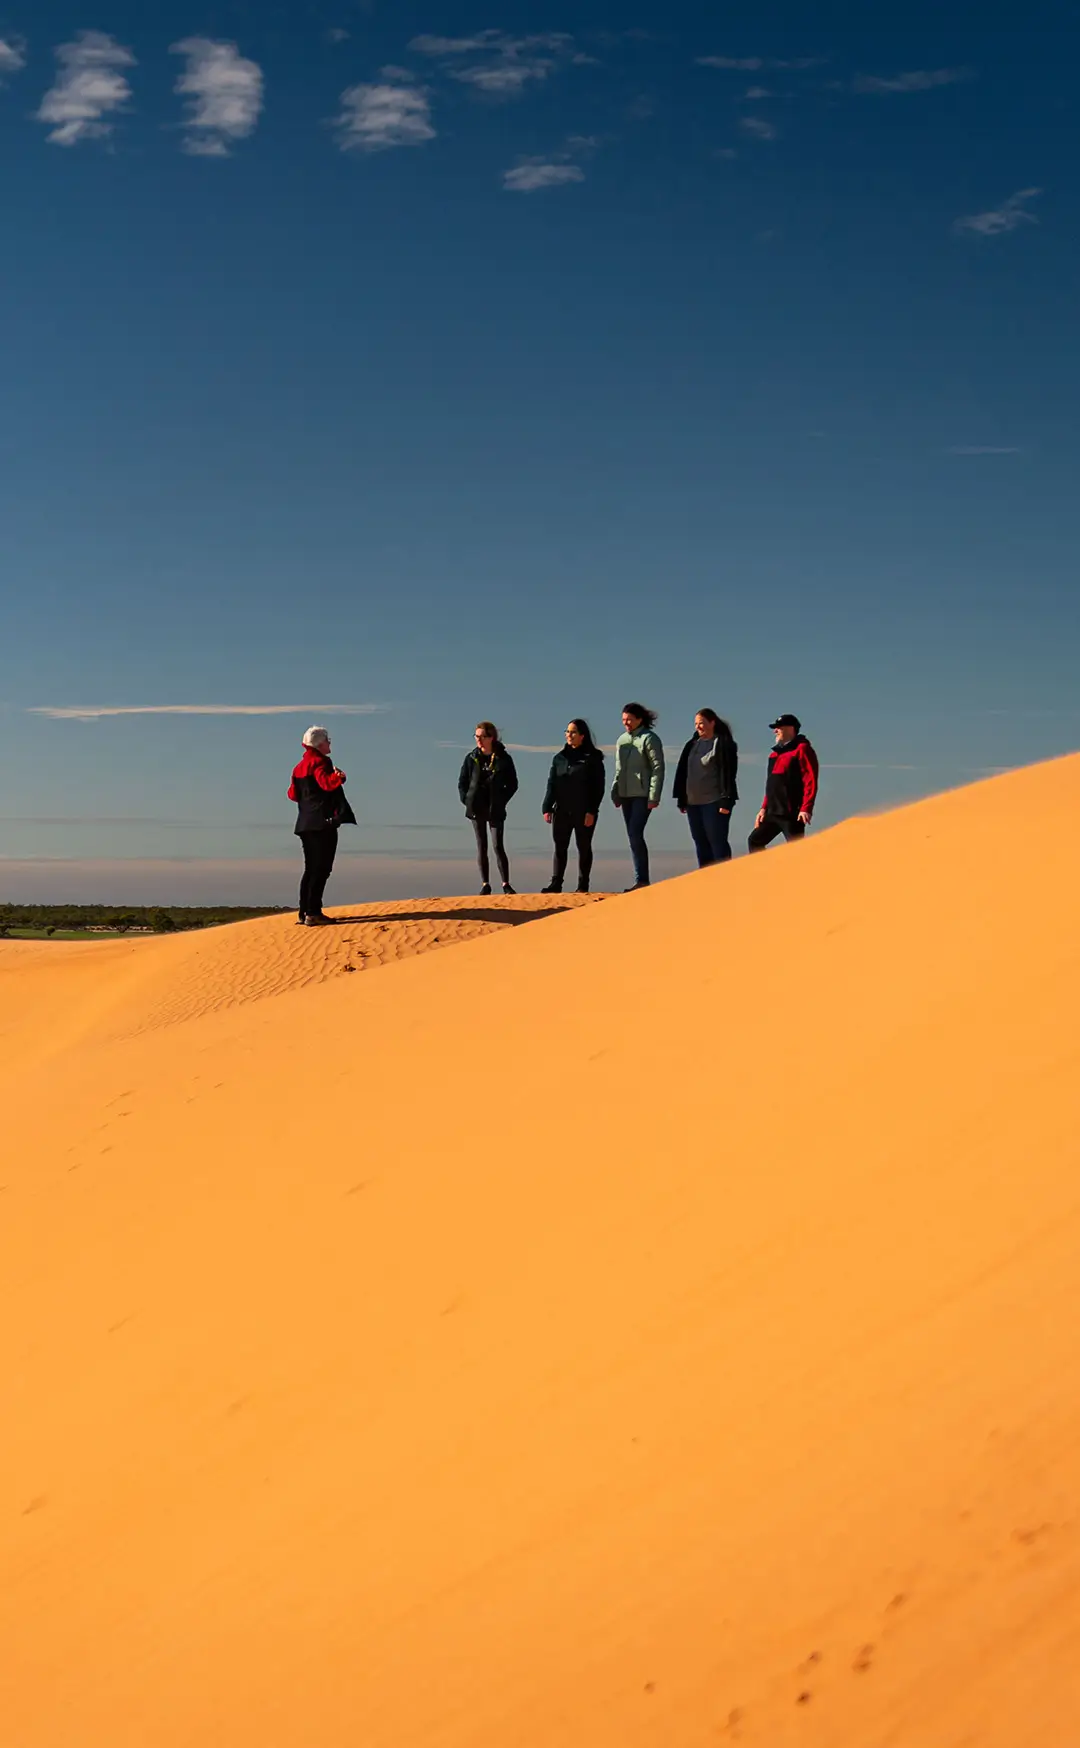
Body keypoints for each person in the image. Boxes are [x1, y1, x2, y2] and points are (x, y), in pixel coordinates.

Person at [288, 725, 356, 926]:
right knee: (321, 869)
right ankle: (313, 912)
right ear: (319, 744)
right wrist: (339, 777)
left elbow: (292, 794)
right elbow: (326, 783)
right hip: (322, 824)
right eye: (327, 740)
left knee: (311, 869)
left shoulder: (299, 767)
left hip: (305, 824)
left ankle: (304, 912)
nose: (329, 743)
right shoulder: (321, 762)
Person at [541, 720, 606, 894]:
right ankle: (556, 883)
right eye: (567, 732)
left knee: (583, 846)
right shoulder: (559, 758)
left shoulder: (592, 758)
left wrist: (592, 811)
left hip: (584, 811)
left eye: (573, 732)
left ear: (582, 736)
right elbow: (552, 783)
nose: (569, 735)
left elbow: (598, 787)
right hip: (561, 809)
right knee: (560, 847)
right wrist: (546, 807)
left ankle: (583, 884)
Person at [673, 709, 739, 867]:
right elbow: (683, 772)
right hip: (693, 803)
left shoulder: (723, 743)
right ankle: (705, 881)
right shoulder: (692, 744)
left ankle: (724, 880)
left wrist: (726, 800)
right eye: (696, 724)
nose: (698, 727)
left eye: (701, 723)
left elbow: (729, 773)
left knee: (717, 841)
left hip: (714, 802)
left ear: (712, 723)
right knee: (700, 843)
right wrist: (682, 798)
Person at [459, 722, 519, 895]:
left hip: (495, 807)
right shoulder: (471, 758)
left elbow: (513, 783)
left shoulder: (503, 758)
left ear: (491, 737)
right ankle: (485, 884)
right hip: (476, 807)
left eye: (482, 736)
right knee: (481, 846)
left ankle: (505, 883)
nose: (478, 740)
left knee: (497, 845)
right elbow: (462, 782)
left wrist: (502, 800)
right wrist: (467, 799)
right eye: (476, 736)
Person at [611, 702, 665, 890]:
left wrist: (654, 796)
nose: (626, 723)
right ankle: (640, 879)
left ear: (639, 719)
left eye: (629, 720)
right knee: (632, 835)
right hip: (625, 794)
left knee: (635, 833)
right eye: (624, 720)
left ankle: (642, 879)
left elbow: (658, 768)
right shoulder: (622, 741)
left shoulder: (650, 739)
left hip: (642, 795)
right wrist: (615, 790)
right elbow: (619, 769)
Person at [748, 713, 819, 852]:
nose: (775, 731)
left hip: (792, 813)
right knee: (754, 841)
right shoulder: (774, 754)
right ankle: (764, 873)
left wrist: (806, 808)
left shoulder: (802, 749)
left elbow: (810, 780)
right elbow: (771, 786)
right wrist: (763, 808)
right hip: (772, 812)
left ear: (790, 729)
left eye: (779, 728)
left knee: (797, 850)